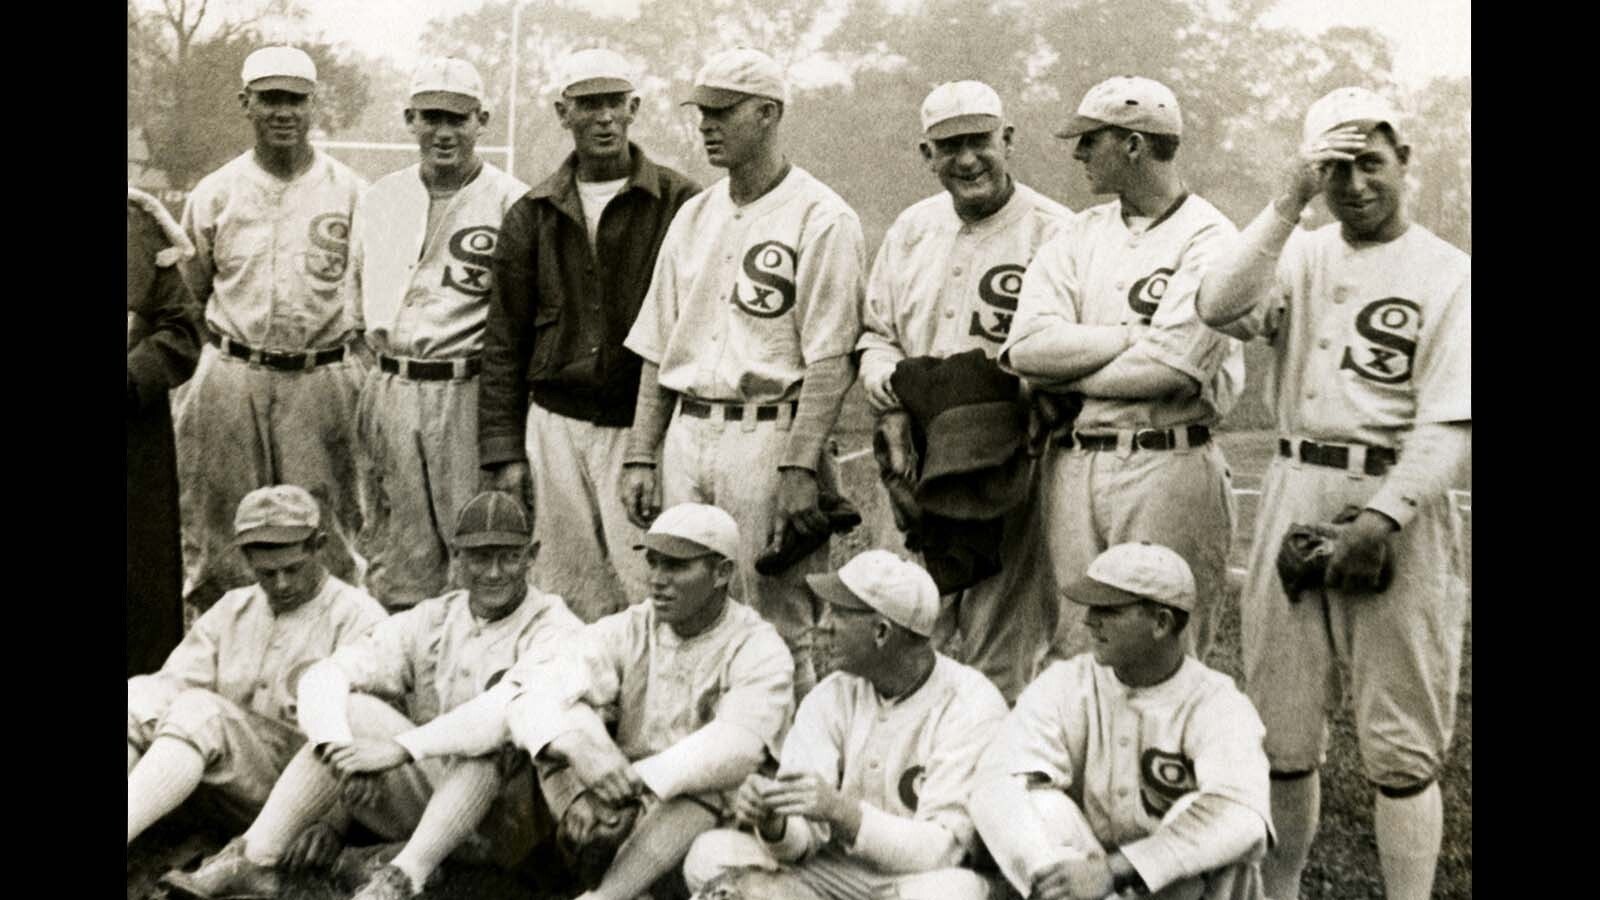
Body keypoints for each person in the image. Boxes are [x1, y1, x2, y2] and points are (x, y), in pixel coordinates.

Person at [1194, 87, 1470, 900]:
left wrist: (1384, 518)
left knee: (1399, 741)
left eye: (1370, 164)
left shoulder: (1450, 273)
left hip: (1396, 496)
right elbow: (1219, 303)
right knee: (1281, 728)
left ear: (1405, 161)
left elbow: (1452, 420)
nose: (1354, 185)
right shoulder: (1301, 251)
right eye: (1335, 170)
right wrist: (1287, 200)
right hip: (1294, 478)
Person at [162, 491, 583, 900]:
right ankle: (253, 858)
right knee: (351, 707)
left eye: (509, 556)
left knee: (490, 746)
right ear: (456, 556)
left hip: (516, 822)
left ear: (532, 556)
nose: (494, 572)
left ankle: (402, 878)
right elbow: (326, 674)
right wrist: (341, 751)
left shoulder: (556, 626)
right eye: (479, 556)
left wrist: (397, 750)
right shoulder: (436, 615)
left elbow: (499, 716)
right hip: (438, 800)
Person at [621, 48, 866, 695]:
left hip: (767, 435)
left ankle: (784, 766)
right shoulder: (694, 215)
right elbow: (658, 348)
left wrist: (797, 467)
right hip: (689, 429)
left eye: (724, 112)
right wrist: (641, 454)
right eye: (703, 112)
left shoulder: (822, 216)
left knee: (777, 616)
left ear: (768, 113)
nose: (707, 125)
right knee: (683, 608)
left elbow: (830, 359)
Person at [999, 75, 1244, 664]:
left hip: (1170, 458)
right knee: (1075, 644)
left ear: (1133, 144)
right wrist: (1131, 338)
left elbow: (1170, 370)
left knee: (1166, 646)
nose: (1079, 153)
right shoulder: (1078, 233)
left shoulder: (1211, 238)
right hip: (1077, 461)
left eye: (1091, 139)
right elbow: (1026, 347)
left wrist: (1067, 373)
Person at [856, 80, 1071, 703]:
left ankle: (992, 787)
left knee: (1000, 649)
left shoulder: (1056, 231)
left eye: (979, 141)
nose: (967, 159)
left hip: (1010, 462)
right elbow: (876, 335)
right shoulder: (912, 228)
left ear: (1008, 139)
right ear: (927, 154)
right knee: (901, 626)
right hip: (917, 454)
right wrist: (892, 403)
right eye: (949, 146)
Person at [480, 48, 700, 621]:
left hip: (640, 422)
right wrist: (505, 450)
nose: (603, 118)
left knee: (648, 581)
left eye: (613, 104)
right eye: (587, 105)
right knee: (563, 589)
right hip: (554, 423)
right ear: (563, 112)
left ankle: (650, 703)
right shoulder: (532, 211)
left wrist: (648, 448)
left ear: (633, 108)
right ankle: (576, 704)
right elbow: (504, 339)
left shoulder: (681, 202)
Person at [682, 549, 1009, 900]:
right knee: (710, 855)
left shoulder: (973, 705)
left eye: (838, 612)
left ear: (881, 632)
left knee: (953, 893)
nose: (823, 624)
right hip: (832, 873)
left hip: (915, 881)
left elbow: (940, 852)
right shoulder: (831, 695)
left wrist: (842, 812)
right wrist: (774, 823)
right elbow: (801, 843)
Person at [175, 45, 369, 612]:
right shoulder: (216, 191)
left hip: (322, 373)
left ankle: (327, 661)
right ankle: (222, 660)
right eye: (270, 99)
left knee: (327, 526)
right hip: (234, 371)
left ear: (314, 105)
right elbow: (188, 296)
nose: (283, 112)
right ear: (247, 103)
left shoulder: (352, 191)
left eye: (295, 100)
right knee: (222, 530)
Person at [969, 542, 1273, 900]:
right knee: (1036, 804)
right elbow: (995, 784)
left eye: (1108, 610)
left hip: (1180, 887)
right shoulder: (1068, 682)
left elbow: (1243, 816)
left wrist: (1116, 870)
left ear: (1161, 622)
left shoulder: (1218, 703)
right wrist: (1061, 877)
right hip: (1088, 880)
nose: (1089, 620)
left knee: (1219, 836)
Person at [348, 57, 530, 611]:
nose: (444, 132)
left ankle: (471, 675)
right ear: (410, 119)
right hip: (391, 384)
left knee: (473, 540)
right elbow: (356, 306)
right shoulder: (380, 197)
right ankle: (401, 677)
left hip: (466, 388)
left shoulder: (512, 201)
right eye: (431, 117)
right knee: (395, 547)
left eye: (459, 118)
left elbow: (520, 322)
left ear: (482, 121)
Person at [128, 485, 386, 846]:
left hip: (306, 792)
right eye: (266, 573)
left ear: (319, 545)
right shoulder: (234, 608)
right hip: (223, 781)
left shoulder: (358, 617)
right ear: (246, 559)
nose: (281, 584)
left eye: (293, 569)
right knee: (137, 694)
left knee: (202, 711)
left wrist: (333, 823)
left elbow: (373, 734)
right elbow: (169, 686)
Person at [128, 186, 204, 677]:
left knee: (139, 580)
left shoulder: (139, 224)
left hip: (132, 433)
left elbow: (181, 329)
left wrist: (133, 376)